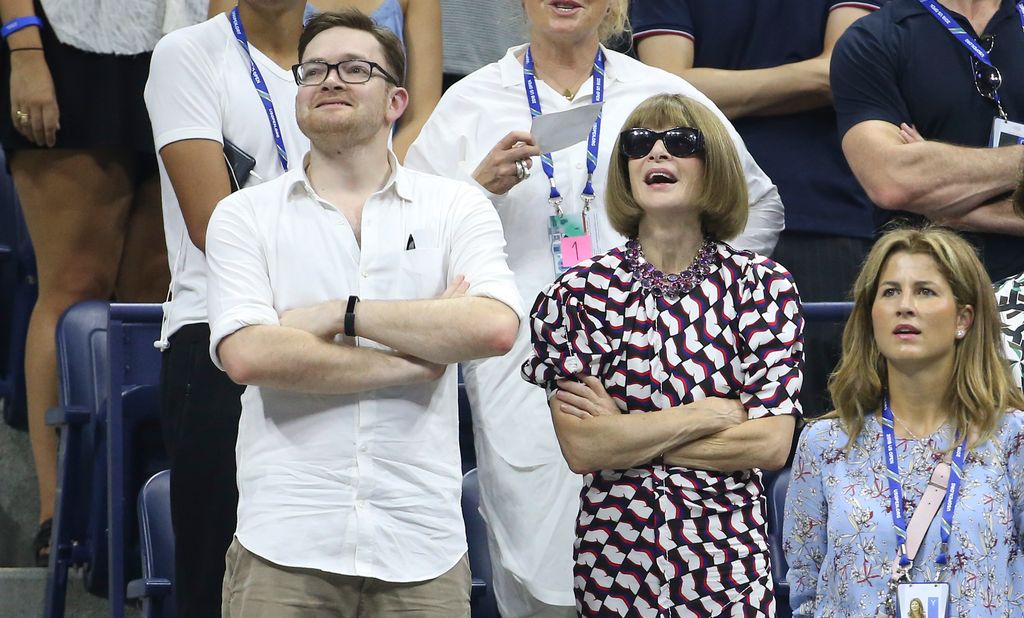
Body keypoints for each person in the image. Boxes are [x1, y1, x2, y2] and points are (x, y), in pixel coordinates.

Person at [405, 2, 785, 614]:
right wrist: (475, 192)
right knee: (531, 568)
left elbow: (758, 205)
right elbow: (405, 242)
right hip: (521, 366)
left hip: (660, 367)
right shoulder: (471, 102)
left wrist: (689, 304)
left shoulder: (662, 96)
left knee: (664, 563)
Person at [205, 10, 523, 616]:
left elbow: (493, 326)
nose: (330, 80)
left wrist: (339, 314)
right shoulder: (243, 216)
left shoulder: (454, 206)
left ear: (396, 99)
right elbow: (248, 354)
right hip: (286, 542)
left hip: (419, 545)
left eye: (355, 69)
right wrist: (415, 359)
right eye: (315, 70)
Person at [520, 92, 802, 617]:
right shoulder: (578, 294)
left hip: (725, 562)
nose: (656, 153)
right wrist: (708, 414)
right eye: (638, 143)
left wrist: (629, 437)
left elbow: (768, 443)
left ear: (713, 164)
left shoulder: (763, 288)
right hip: (614, 561)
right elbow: (584, 449)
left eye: (680, 142)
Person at [630, 0, 885, 417]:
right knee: (700, 415)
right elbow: (664, 90)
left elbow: (842, 69)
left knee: (835, 428)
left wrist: (702, 93)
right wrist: (810, 78)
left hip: (826, 219)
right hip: (699, 224)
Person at [144, 1, 308, 614]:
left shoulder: (340, 58)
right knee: (218, 581)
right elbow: (214, 226)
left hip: (326, 336)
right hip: (217, 334)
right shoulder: (187, 54)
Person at [0, 0, 174, 564]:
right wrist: (23, 46)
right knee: (75, 284)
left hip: (179, 43)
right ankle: (62, 507)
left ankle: (134, 507)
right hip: (66, 43)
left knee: (154, 294)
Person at [784, 226, 1024, 617]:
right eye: (890, 291)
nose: (904, 306)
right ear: (871, 315)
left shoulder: (1012, 437)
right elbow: (805, 590)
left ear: (963, 318)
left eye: (925, 291)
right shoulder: (824, 443)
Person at [831, 0, 1024, 282]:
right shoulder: (874, 39)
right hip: (928, 291)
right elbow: (893, 180)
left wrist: (951, 208)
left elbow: (912, 181)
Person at [210, 0, 441, 160]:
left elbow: (423, 115)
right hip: (266, 152)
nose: (332, 81)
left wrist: (376, 177)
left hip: (378, 162)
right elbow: (219, 69)